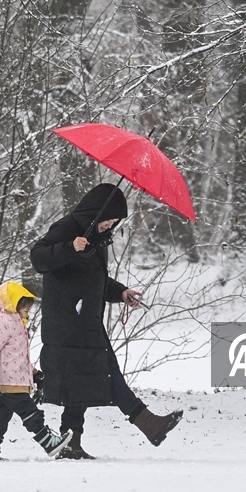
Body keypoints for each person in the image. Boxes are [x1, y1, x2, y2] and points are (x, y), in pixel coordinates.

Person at [30, 183, 182, 459]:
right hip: (67, 322)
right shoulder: (67, 228)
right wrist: (69, 247)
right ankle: (147, 423)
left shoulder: (97, 240)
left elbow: (94, 280)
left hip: (85, 320)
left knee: (83, 380)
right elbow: (38, 258)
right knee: (102, 372)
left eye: (115, 222)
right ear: (94, 212)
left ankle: (71, 441)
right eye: (108, 219)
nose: (110, 225)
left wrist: (121, 292)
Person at [0, 281, 72, 460]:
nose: (27, 314)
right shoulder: (3, 321)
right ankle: (48, 442)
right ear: (13, 304)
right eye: (26, 310)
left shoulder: (13, 323)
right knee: (29, 412)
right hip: (9, 382)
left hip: (7, 380)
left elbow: (15, 356)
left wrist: (34, 373)